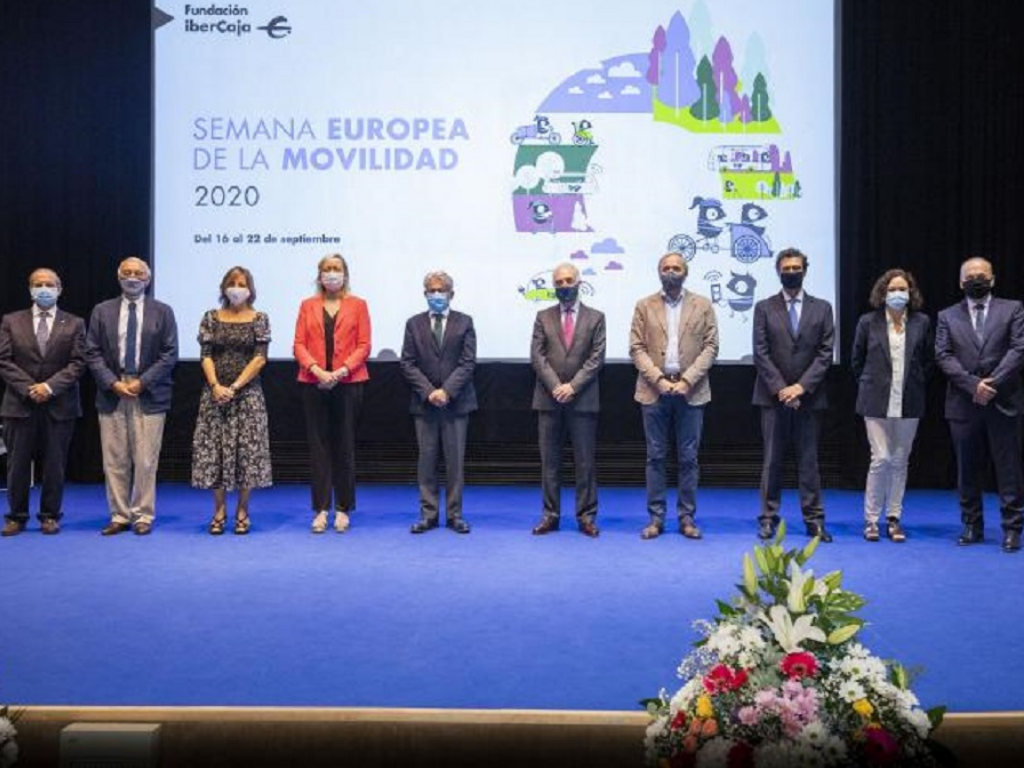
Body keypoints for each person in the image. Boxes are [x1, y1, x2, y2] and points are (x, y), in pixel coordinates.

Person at [935, 257, 1024, 552]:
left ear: (993, 279)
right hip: (964, 403)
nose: (976, 279)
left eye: (982, 275)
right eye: (970, 276)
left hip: (1004, 402)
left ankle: (1012, 529)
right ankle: (972, 525)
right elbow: (943, 356)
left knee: (1008, 469)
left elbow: (1018, 349)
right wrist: (974, 385)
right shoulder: (947, 316)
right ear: (961, 282)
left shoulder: (1012, 309)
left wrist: (992, 384)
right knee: (967, 469)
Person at [85, 256, 179, 536]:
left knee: (146, 459)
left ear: (148, 279)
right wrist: (113, 383)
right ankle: (119, 514)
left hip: (148, 391)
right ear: (118, 277)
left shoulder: (163, 311)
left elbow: (169, 354)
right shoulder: (102, 311)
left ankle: (142, 515)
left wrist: (142, 382)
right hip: (112, 391)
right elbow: (92, 352)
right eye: (127, 273)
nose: (133, 277)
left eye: (139, 273)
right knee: (114, 459)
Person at [630, 252, 719, 540]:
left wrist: (687, 380)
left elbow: (711, 347)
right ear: (659, 272)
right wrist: (657, 379)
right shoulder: (644, 305)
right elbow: (636, 347)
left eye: (676, 268)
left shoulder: (702, 305)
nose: (671, 272)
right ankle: (656, 519)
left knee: (688, 458)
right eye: (666, 268)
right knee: (655, 457)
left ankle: (687, 518)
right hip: (653, 391)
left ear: (685, 272)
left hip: (691, 392)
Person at [752, 247, 835, 542]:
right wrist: (782, 389)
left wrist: (800, 387)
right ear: (778, 271)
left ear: (805, 270)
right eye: (785, 268)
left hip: (809, 397)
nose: (790, 272)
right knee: (772, 460)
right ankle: (768, 518)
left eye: (795, 268)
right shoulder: (763, 307)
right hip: (771, 397)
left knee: (809, 461)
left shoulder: (822, 307)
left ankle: (814, 520)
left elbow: (825, 353)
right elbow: (760, 353)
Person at [0, 268, 86, 536]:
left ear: (60, 289)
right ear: (30, 289)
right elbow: (4, 360)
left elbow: (78, 362)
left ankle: (50, 515)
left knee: (54, 465)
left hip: (59, 405)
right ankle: (16, 516)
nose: (44, 288)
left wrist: (49, 387)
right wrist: (29, 388)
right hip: (19, 404)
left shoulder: (74, 323)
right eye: (39, 284)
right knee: (17, 466)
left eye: (50, 284)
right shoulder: (11, 321)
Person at [851, 269, 932, 542]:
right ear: (883, 293)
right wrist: (871, 384)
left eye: (903, 289)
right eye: (893, 289)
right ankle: (871, 520)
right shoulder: (868, 322)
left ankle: (894, 518)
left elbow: (927, 361)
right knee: (881, 458)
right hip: (875, 400)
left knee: (900, 460)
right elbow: (856, 361)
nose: (898, 294)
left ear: (911, 293)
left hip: (909, 400)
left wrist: (915, 383)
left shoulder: (922, 322)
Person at [191, 266, 273, 535]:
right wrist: (216, 386)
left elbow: (260, 357)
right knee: (214, 451)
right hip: (214, 395)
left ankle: (243, 509)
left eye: (242, 283)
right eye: (232, 283)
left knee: (246, 455)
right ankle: (219, 509)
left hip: (247, 396)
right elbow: (205, 354)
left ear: (250, 288)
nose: (236, 287)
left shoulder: (260, 318)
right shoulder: (211, 318)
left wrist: (235, 387)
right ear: (224, 287)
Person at [293, 253, 371, 533]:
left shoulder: (358, 305)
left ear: (345, 274)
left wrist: (340, 372)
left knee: (344, 446)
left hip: (348, 383)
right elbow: (299, 344)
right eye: (326, 269)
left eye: (336, 269)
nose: (331, 273)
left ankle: (343, 508)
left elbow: (364, 345)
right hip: (313, 383)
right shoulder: (307, 305)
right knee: (319, 448)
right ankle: (321, 509)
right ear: (319, 275)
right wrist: (317, 370)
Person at [529, 262, 606, 537]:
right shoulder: (543, 316)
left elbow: (596, 359)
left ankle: (586, 516)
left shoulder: (596, 318)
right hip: (548, 401)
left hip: (582, 400)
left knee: (585, 462)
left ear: (578, 282)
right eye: (559, 282)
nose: (563, 286)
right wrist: (556, 386)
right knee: (550, 462)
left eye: (568, 280)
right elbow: (537, 357)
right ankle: (550, 515)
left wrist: (572, 387)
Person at [399, 271, 477, 534]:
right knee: (427, 462)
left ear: (451, 294)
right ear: (425, 294)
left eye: (441, 290)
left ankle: (455, 515)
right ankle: (428, 514)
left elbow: (468, 363)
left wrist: (447, 391)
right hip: (425, 404)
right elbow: (407, 363)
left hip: (457, 404)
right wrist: (430, 391)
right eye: (431, 290)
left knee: (455, 463)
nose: (436, 295)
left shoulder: (465, 322)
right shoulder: (413, 324)